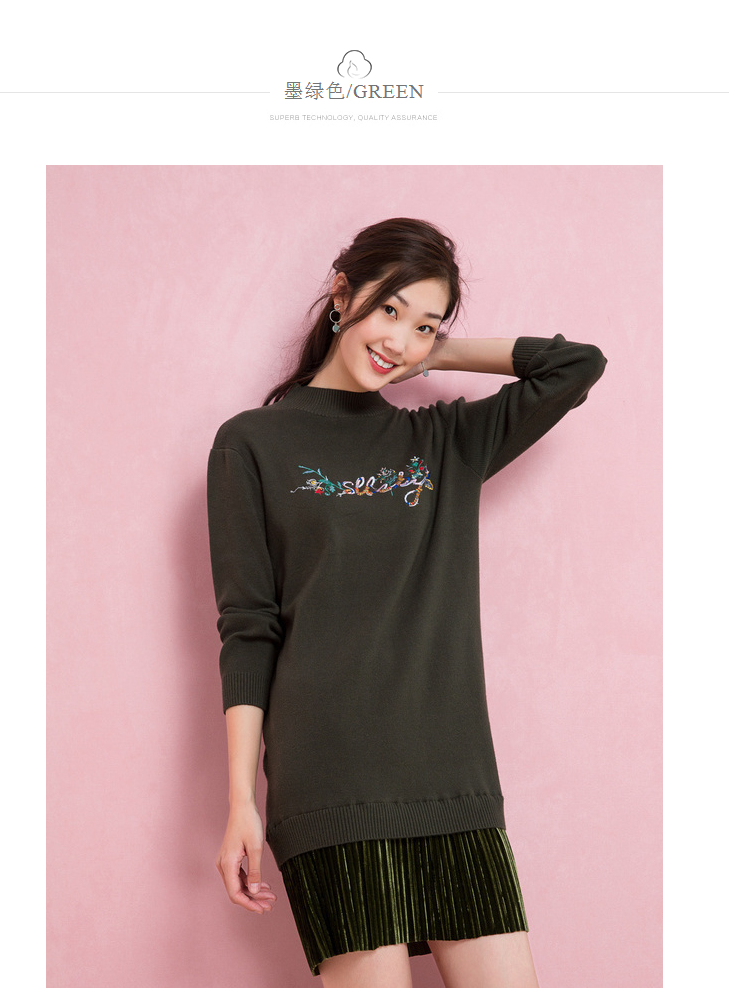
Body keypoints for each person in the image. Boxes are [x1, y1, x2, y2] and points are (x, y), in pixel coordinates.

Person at [207, 217, 607, 987]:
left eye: (424, 323)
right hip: (329, 784)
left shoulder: (446, 443)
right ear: (342, 294)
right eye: (389, 309)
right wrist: (240, 801)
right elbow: (249, 629)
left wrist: (436, 352)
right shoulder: (251, 443)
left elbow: (576, 366)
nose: (398, 339)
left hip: (451, 778)